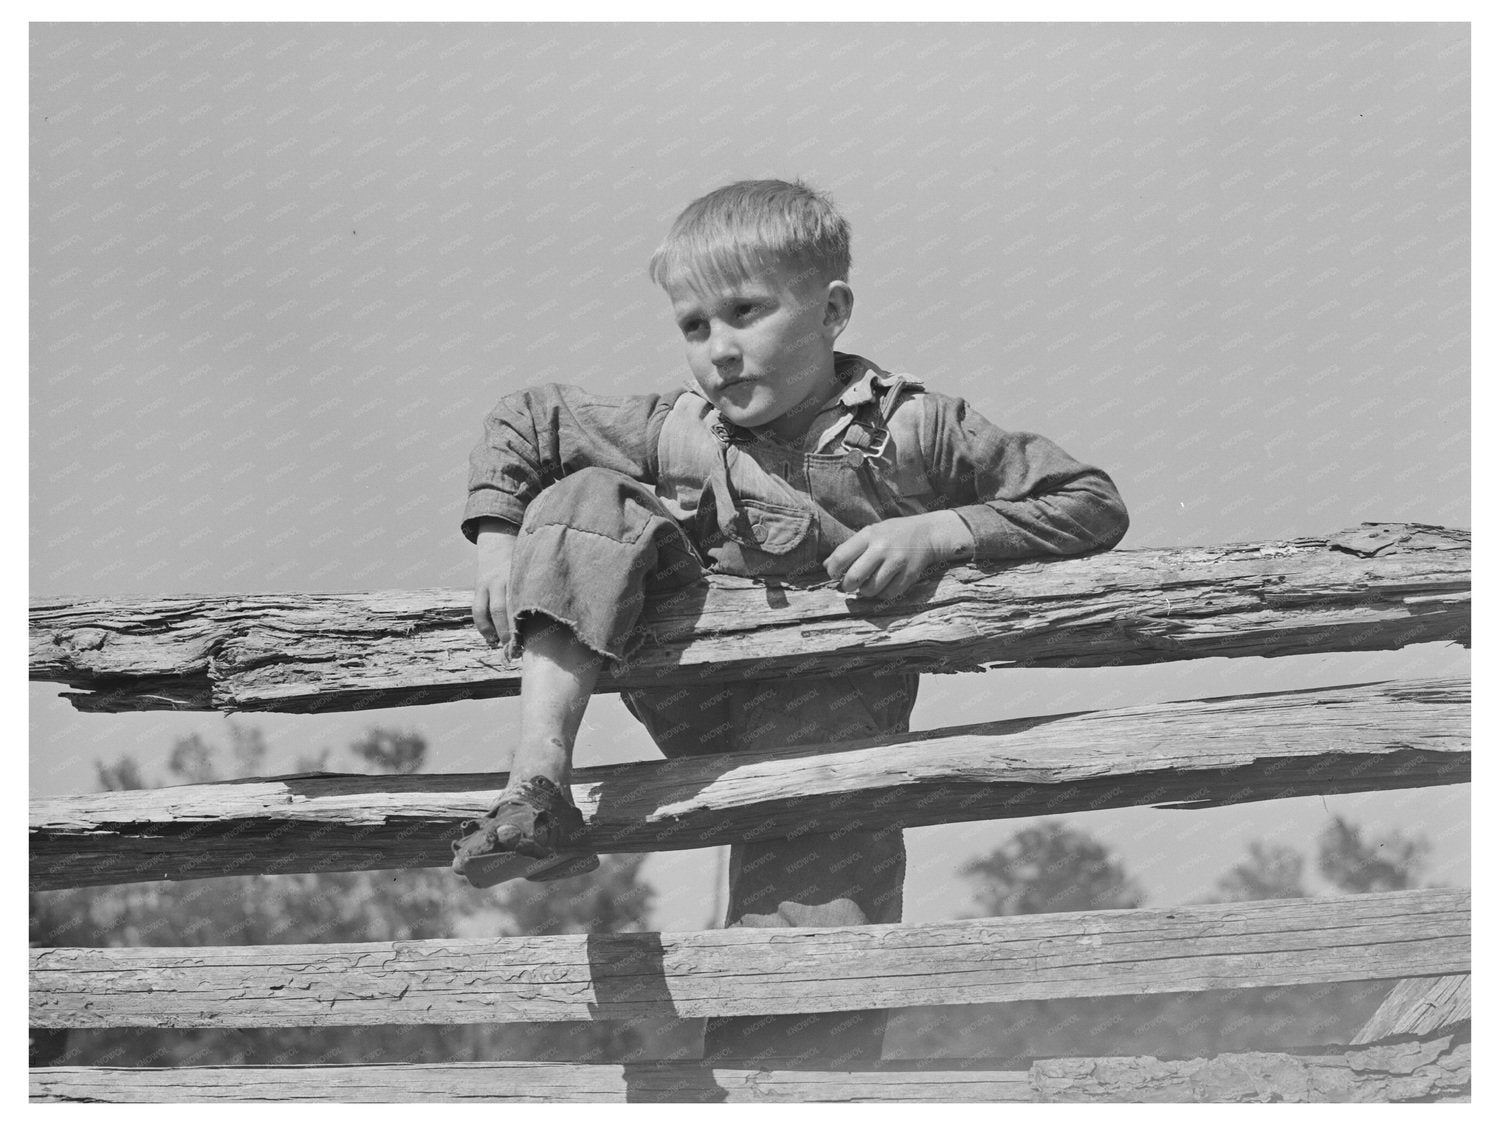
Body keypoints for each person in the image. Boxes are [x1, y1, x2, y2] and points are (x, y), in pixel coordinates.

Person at [453, 179, 1128, 1063]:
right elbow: (529, 417)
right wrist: (499, 539)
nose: (719, 351)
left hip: (829, 724)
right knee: (585, 493)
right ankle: (537, 785)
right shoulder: (680, 427)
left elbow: (1089, 500)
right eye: (695, 326)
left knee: (810, 977)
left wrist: (942, 529)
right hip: (690, 685)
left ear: (832, 311)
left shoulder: (914, 432)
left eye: (745, 312)